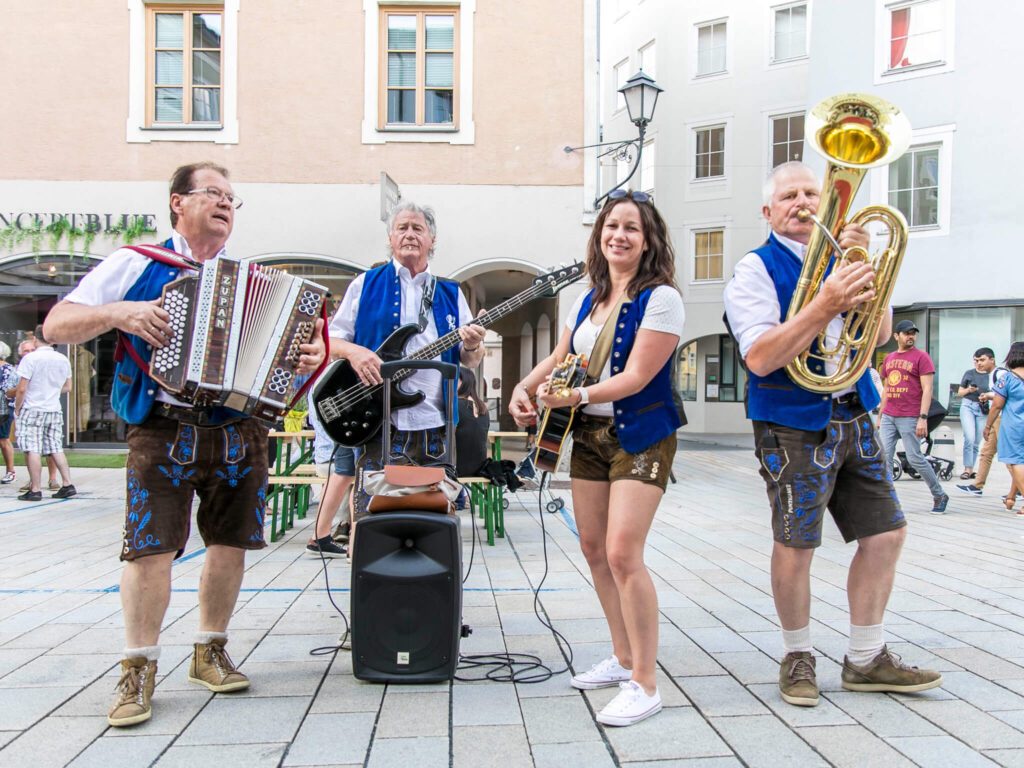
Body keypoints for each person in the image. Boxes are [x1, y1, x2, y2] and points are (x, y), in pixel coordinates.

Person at [43, 161, 326, 727]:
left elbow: (296, 358)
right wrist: (118, 312)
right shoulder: (135, 263)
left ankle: (210, 650)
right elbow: (56, 324)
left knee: (230, 542)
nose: (225, 204)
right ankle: (137, 667)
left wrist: (310, 357)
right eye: (214, 194)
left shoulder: (248, 278)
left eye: (231, 198)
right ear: (178, 202)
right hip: (161, 428)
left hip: (239, 428)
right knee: (149, 548)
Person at [723, 161, 941, 710]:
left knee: (886, 534)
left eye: (811, 193)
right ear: (767, 211)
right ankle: (798, 654)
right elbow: (761, 356)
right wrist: (825, 302)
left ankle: (866, 657)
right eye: (789, 195)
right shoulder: (754, 269)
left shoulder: (844, 256)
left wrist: (863, 268)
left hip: (855, 409)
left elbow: (883, 332)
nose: (802, 202)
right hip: (792, 422)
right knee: (797, 544)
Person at [510, 189, 685, 727]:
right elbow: (563, 357)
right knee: (593, 549)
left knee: (623, 553)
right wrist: (525, 385)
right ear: (599, 234)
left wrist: (575, 396)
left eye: (632, 228)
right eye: (612, 226)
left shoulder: (662, 299)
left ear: (649, 239)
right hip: (587, 437)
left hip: (641, 435)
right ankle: (623, 655)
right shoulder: (588, 298)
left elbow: (636, 378)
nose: (620, 236)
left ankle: (645, 683)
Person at [327, 201, 485, 543]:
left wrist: (472, 345)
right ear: (390, 237)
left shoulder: (450, 292)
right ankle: (369, 585)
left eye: (418, 228)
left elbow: (468, 361)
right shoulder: (365, 284)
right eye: (403, 228)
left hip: (436, 426)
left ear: (432, 239)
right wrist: (355, 353)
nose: (410, 234)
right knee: (373, 517)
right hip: (381, 422)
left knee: (435, 518)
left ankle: (432, 588)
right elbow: (332, 341)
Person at [879, 320, 949, 513]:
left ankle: (939, 494)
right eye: (906, 333)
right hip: (889, 415)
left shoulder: (921, 357)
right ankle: (887, 501)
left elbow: (928, 389)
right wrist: (880, 415)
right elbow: (887, 389)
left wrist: (923, 417)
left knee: (915, 458)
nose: (910, 336)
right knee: (884, 458)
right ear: (896, 336)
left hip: (910, 415)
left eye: (913, 333)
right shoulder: (890, 358)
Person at [13, 326, 75, 501]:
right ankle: (67, 484)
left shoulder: (30, 359)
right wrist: (52, 392)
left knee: (32, 447)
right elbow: (68, 387)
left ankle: (35, 489)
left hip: (32, 407)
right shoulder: (62, 359)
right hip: (53, 408)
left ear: (35, 339)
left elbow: (22, 388)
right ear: (52, 339)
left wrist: (18, 408)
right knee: (55, 447)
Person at [305, 398, 356, 558]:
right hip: (353, 418)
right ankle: (355, 541)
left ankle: (321, 536)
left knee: (347, 475)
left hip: (348, 421)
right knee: (358, 475)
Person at [11, 339, 62, 492]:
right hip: (32, 408)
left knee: (49, 446)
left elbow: (22, 389)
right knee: (31, 447)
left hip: (41, 408)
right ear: (20, 353)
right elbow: (18, 388)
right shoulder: (21, 366)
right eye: (26, 351)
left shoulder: (42, 362)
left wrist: (17, 407)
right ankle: (34, 480)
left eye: (31, 349)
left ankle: (52, 479)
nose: (29, 353)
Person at [984, 343, 1024, 516]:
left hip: (1014, 426)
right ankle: (1011, 497)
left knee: (1015, 462)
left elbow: (997, 406)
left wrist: (988, 426)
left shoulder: (1006, 378)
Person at [956, 347, 995, 480]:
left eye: (981, 360)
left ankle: (972, 469)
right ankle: (967, 469)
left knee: (977, 440)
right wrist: (969, 389)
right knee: (969, 438)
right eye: (976, 360)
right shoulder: (969, 373)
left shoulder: (992, 375)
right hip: (968, 406)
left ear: (991, 360)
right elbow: (960, 392)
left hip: (983, 408)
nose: (978, 363)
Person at [455, 366, 490, 477]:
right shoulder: (483, 407)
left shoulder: (455, 405)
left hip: (457, 467)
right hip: (480, 467)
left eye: (455, 380)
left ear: (464, 382)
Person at [0, 342, 17, 484]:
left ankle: (10, 471)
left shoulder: (8, 369)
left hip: (4, 409)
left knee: (3, 440)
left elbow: (9, 390)